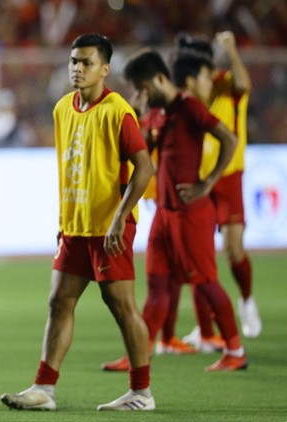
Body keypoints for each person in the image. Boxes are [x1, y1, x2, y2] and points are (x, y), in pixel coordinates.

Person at [0, 34, 155, 412]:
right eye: (73, 61)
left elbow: (145, 166)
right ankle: (44, 389)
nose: (77, 68)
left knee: (121, 306)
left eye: (86, 62)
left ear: (105, 68)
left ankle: (141, 392)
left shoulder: (118, 110)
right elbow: (75, 167)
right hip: (75, 226)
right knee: (59, 302)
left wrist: (120, 217)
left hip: (109, 228)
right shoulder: (62, 108)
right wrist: (65, 220)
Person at [104, 49, 248, 372]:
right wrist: (139, 118)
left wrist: (208, 183)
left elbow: (229, 138)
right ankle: (138, 353)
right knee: (156, 287)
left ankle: (236, 351)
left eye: (141, 87)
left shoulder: (188, 106)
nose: (139, 94)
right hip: (164, 215)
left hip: (190, 213)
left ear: (158, 78)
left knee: (207, 283)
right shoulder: (157, 113)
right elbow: (141, 154)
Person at [169, 32, 261, 346]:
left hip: (228, 176)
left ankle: (246, 300)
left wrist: (232, 50)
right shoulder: (186, 93)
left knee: (234, 248)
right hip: (197, 178)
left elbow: (245, 85)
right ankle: (204, 328)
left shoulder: (224, 84)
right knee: (200, 254)